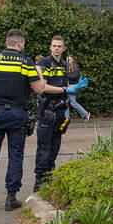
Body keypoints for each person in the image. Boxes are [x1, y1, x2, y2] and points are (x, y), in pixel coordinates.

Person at [0, 30, 81, 211]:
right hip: (18, 115)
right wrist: (37, 74)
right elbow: (39, 89)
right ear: (20, 44)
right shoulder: (26, 62)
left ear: (7, 42)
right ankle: (11, 198)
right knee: (16, 155)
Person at [34, 36, 89, 190]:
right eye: (54, 46)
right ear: (50, 47)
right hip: (47, 109)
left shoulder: (65, 65)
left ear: (64, 48)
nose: (57, 48)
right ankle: (39, 180)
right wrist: (66, 89)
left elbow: (64, 84)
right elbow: (42, 87)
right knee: (44, 146)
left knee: (55, 145)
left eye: (59, 46)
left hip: (60, 110)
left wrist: (77, 86)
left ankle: (49, 175)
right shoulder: (44, 63)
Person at [65, 54, 91, 122]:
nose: (68, 61)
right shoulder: (67, 67)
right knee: (66, 102)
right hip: (67, 87)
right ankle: (66, 118)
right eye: (67, 60)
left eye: (70, 60)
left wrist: (66, 74)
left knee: (73, 103)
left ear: (73, 60)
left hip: (73, 88)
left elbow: (74, 77)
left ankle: (86, 114)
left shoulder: (76, 68)